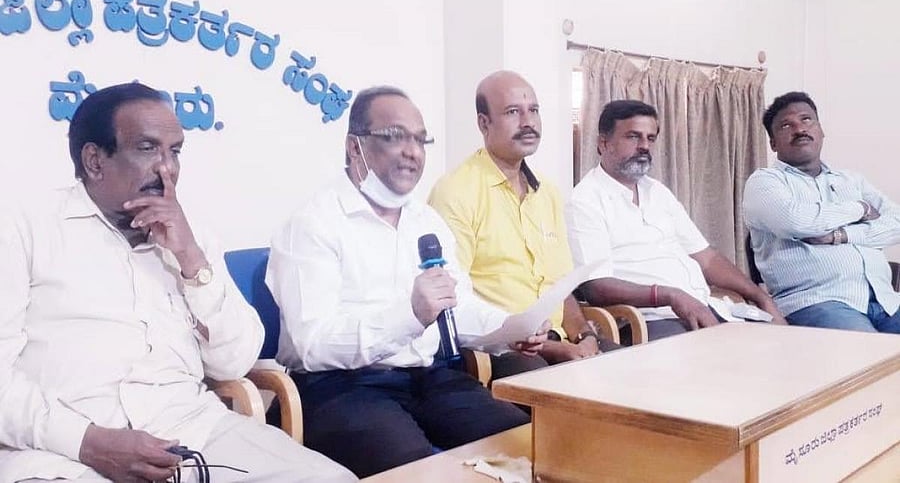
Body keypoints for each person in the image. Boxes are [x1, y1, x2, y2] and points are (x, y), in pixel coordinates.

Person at [0, 83, 356, 483]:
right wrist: (88, 442)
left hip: (193, 432)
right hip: (65, 451)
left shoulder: (192, 237)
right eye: (147, 149)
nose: (167, 168)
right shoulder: (24, 229)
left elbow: (235, 361)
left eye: (175, 151)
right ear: (95, 161)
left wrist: (191, 260)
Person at [266, 85, 545, 478]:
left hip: (428, 378)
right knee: (417, 470)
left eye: (420, 139)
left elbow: (458, 308)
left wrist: (510, 329)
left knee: (526, 445)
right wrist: (410, 315)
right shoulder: (313, 225)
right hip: (339, 388)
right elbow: (312, 345)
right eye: (395, 137)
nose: (413, 152)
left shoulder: (425, 221)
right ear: (354, 147)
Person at [429, 71, 619, 380]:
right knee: (549, 381)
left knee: (634, 371)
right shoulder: (455, 192)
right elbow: (453, 302)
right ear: (484, 124)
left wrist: (585, 336)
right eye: (513, 112)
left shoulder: (547, 192)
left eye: (534, 110)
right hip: (503, 350)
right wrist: (557, 350)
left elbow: (561, 287)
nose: (528, 122)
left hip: (561, 341)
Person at [567, 99, 785, 343]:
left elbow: (707, 258)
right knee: (729, 357)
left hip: (703, 307)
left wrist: (760, 297)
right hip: (648, 321)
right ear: (603, 143)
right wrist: (669, 295)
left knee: (778, 343)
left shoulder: (657, 191)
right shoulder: (584, 200)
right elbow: (595, 286)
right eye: (633, 136)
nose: (644, 146)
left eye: (650, 138)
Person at [743, 91, 900, 333]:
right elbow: (798, 221)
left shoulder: (851, 180)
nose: (799, 129)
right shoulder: (764, 182)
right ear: (773, 143)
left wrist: (841, 236)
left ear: (821, 130)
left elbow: (896, 223)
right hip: (817, 302)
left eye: (806, 120)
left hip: (886, 299)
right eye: (786, 125)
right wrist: (860, 208)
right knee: (868, 353)